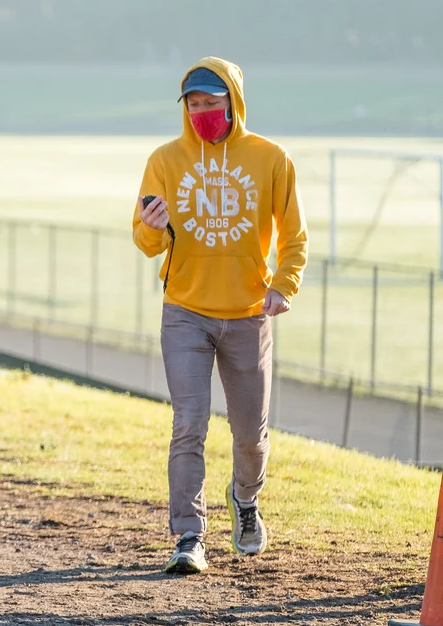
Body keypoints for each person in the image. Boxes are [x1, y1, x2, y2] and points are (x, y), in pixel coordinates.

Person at [132, 57, 307, 574]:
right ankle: (189, 536)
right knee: (188, 424)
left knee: (250, 434)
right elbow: (145, 242)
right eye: (193, 104)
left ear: (234, 102)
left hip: (249, 314)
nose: (202, 112)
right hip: (184, 312)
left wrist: (283, 286)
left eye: (211, 102)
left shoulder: (271, 159)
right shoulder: (165, 160)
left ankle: (245, 499)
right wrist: (151, 227)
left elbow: (294, 237)